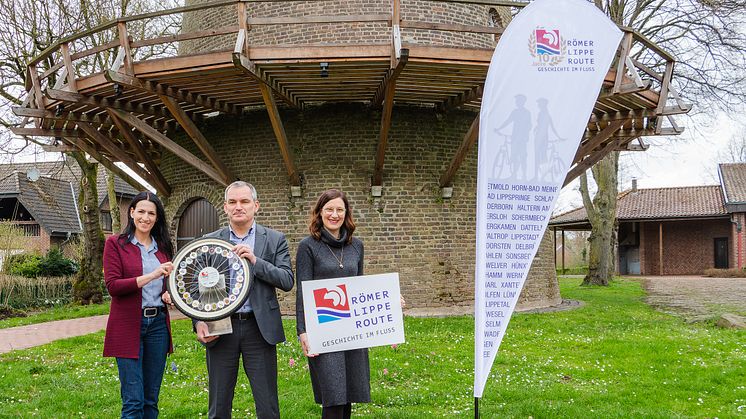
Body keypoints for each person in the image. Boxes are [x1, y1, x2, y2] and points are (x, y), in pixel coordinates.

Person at [194, 181, 294, 419]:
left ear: (256, 205)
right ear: (225, 207)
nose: (238, 207)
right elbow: (196, 288)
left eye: (244, 201)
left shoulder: (274, 239)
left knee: (267, 404)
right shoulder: (211, 241)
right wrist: (199, 322)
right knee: (218, 404)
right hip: (220, 326)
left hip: (259, 328)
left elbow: (287, 280)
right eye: (233, 202)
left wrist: (256, 262)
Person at [294, 189, 369, 418]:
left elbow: (360, 287)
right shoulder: (308, 246)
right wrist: (303, 331)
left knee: (349, 396)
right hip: (324, 326)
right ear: (319, 213)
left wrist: (391, 300)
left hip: (352, 328)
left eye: (339, 209)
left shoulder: (356, 246)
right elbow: (303, 290)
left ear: (346, 214)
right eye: (329, 209)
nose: (334, 214)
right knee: (334, 396)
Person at [103, 191, 175, 418]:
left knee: (150, 401)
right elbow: (113, 286)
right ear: (132, 212)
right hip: (127, 326)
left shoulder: (163, 247)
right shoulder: (115, 244)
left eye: (151, 213)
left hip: (158, 326)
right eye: (141, 211)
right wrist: (152, 275)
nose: (146, 217)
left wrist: (168, 294)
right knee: (133, 401)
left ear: (157, 217)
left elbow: (166, 284)